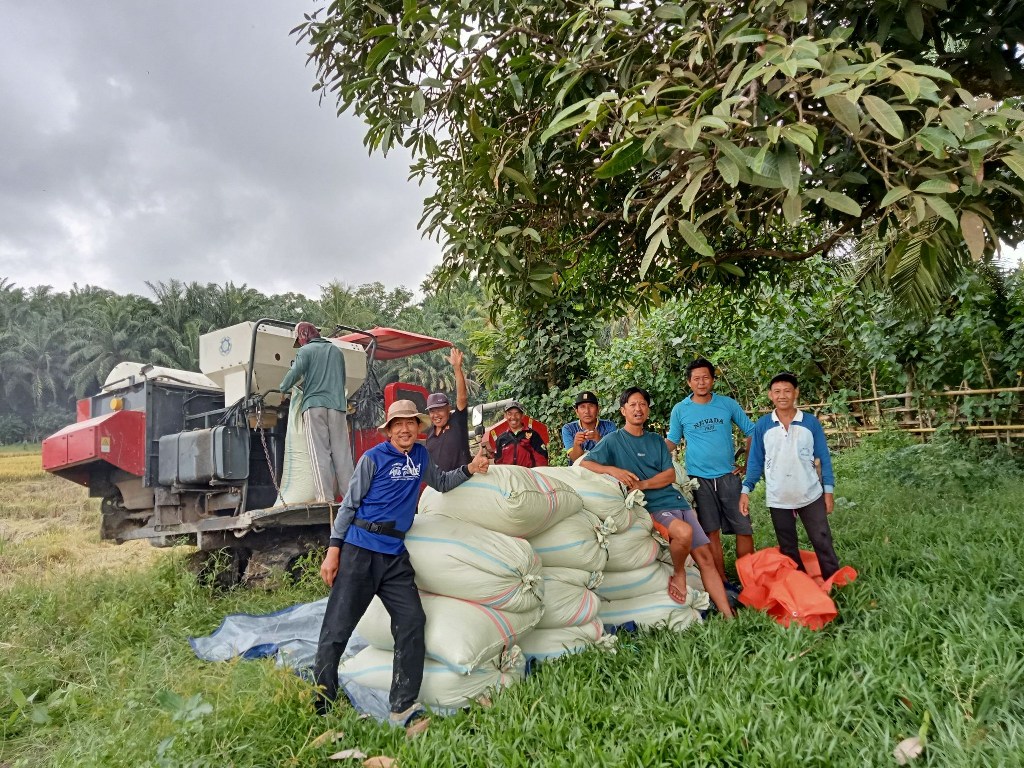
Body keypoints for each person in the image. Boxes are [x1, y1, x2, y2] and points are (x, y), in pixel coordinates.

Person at [313, 400, 490, 724]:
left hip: (394, 555)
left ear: (418, 427)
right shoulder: (373, 459)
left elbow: (443, 483)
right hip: (360, 550)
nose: (406, 429)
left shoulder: (421, 456)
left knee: (411, 622)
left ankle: (402, 705)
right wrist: (333, 550)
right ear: (390, 430)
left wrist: (471, 468)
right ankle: (323, 702)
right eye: (399, 424)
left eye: (411, 423)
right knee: (337, 629)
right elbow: (349, 506)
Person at [581, 387, 734, 618]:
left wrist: (643, 484)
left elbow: (670, 475)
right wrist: (613, 470)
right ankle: (680, 573)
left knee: (705, 558)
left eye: (642, 404)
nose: (638, 409)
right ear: (623, 410)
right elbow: (586, 464)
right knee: (683, 533)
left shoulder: (655, 441)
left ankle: (729, 616)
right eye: (632, 405)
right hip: (653, 506)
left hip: (676, 500)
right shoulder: (613, 441)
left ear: (648, 410)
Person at [740, 372, 840, 581]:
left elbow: (824, 458)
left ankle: (835, 581)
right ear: (770, 395)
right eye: (777, 392)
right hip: (779, 496)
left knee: (822, 540)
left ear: (796, 393)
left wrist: (828, 492)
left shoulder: (810, 423)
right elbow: (755, 462)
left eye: (787, 391)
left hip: (810, 493)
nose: (782, 396)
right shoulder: (763, 426)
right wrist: (745, 490)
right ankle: (799, 584)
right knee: (787, 545)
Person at [666, 358, 756, 585]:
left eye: (706, 377)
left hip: (729, 476)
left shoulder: (727, 404)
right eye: (696, 378)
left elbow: (752, 432)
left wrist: (748, 463)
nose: (701, 382)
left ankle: (748, 579)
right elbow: (672, 441)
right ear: (689, 383)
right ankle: (723, 580)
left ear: (713, 380)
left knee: (743, 528)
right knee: (710, 531)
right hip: (698, 480)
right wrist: (648, 456)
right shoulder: (680, 410)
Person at [280, 321, 353, 502]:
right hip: (338, 406)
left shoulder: (305, 351)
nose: (301, 343)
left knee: (320, 453)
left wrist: (283, 387)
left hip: (314, 406)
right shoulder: (337, 351)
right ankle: (352, 498)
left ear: (303, 336)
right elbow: (342, 379)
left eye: (300, 339)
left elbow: (293, 374)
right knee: (342, 454)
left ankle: (325, 499)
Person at [424, 348, 472, 471]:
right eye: (432, 411)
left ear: (448, 409)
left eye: (440, 409)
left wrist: (457, 368)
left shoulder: (457, 421)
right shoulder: (430, 433)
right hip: (439, 486)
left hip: (462, 482)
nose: (436, 415)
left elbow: (462, 397)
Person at [561, 390, 617, 463]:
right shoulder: (568, 428)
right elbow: (574, 459)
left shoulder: (609, 426)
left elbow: (614, 454)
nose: (587, 411)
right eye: (582, 407)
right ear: (577, 412)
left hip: (604, 471)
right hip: (578, 472)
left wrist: (599, 439)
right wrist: (576, 444)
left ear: (598, 409)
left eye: (591, 406)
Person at [492, 401, 548, 467]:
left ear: (522, 416)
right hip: (509, 476)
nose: (513, 417)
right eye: (509, 414)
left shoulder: (533, 435)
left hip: (528, 476)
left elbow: (542, 460)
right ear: (505, 416)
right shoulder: (501, 439)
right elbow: (498, 463)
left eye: (517, 414)